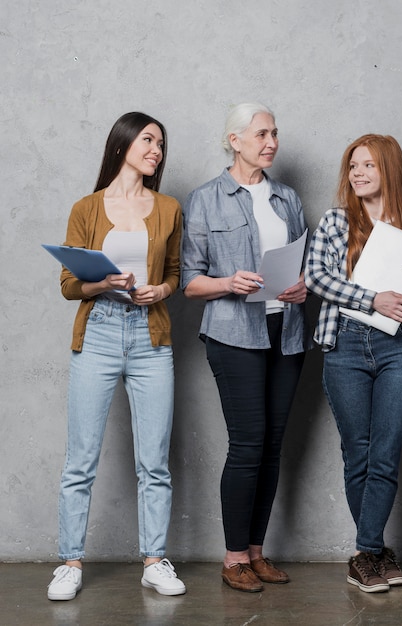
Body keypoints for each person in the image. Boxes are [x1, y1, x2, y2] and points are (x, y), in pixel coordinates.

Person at [47, 112, 186, 601]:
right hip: (99, 334)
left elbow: (175, 274)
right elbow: (69, 286)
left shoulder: (168, 207)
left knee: (154, 460)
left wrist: (160, 291)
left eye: (161, 144)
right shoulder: (87, 207)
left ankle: (154, 560)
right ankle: (69, 562)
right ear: (123, 143)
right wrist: (102, 283)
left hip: (151, 337)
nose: (157, 151)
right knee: (80, 459)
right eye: (148, 140)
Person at [182, 102, 308, 593]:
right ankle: (233, 556)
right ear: (234, 141)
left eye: (275, 132)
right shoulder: (206, 199)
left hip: (287, 333)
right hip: (234, 335)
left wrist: (302, 286)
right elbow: (189, 281)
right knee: (248, 444)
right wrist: (228, 283)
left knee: (273, 447)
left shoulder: (288, 199)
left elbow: (304, 266)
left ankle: (256, 553)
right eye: (260, 133)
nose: (271, 141)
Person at [305, 134, 402, 593]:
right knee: (357, 451)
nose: (357, 174)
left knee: (385, 451)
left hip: (398, 346)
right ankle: (374, 552)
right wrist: (371, 297)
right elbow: (317, 277)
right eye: (352, 166)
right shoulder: (336, 221)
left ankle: (366, 551)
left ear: (389, 172)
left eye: (368, 166)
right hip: (345, 343)